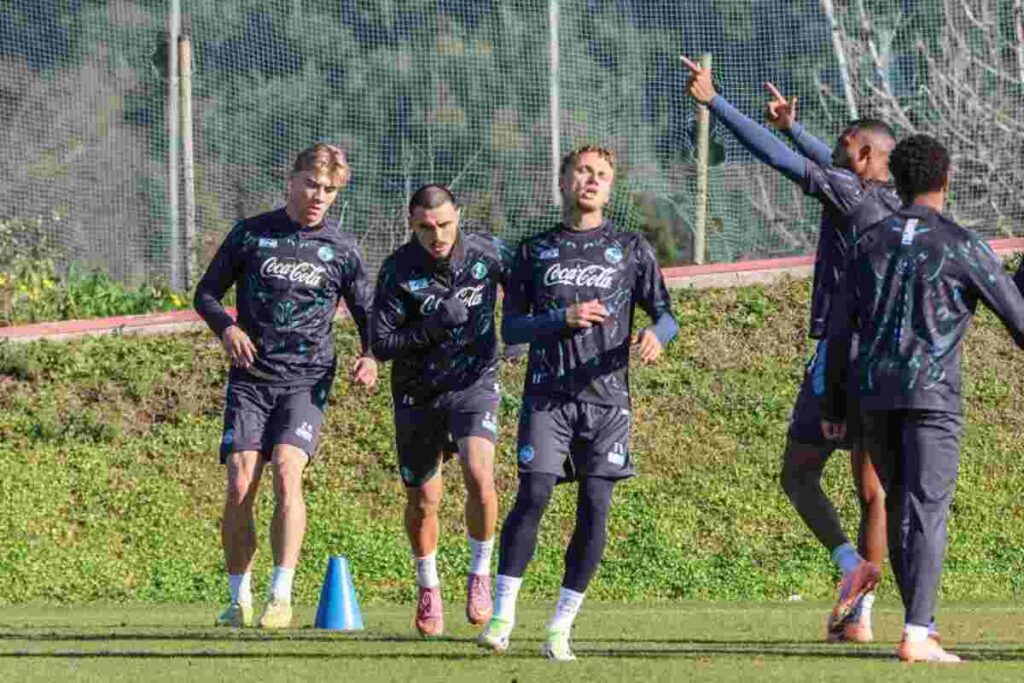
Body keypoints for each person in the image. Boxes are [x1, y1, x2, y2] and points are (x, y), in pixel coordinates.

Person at [681, 56, 900, 641]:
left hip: (840, 353)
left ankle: (851, 567)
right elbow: (814, 157)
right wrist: (793, 128)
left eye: (843, 142)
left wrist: (714, 103)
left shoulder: (850, 193)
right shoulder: (894, 205)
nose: (832, 147)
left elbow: (780, 162)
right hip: (885, 359)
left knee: (798, 475)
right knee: (872, 488)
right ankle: (860, 618)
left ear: (862, 155)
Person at [822, 134, 1024, 663]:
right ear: (946, 179)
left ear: (899, 181)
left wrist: (835, 406)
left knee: (903, 511)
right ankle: (916, 632)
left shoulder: (867, 241)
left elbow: (839, 332)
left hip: (874, 397)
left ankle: (922, 628)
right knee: (925, 511)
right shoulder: (959, 243)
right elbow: (1018, 320)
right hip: (932, 396)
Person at [478, 145, 678, 661]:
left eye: (603, 175)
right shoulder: (533, 251)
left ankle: (560, 627)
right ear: (565, 180)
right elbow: (511, 328)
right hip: (548, 396)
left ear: (610, 189)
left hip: (608, 402)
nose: (592, 180)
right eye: (584, 171)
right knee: (535, 494)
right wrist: (560, 319)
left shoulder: (631, 247)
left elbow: (666, 314)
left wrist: (657, 335)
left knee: (595, 507)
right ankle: (502, 615)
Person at [194, 143, 377, 629]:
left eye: (330, 190)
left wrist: (371, 355)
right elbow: (206, 294)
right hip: (252, 378)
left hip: (307, 378)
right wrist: (227, 329)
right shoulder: (252, 234)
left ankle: (281, 594)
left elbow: (368, 314)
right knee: (239, 481)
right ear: (292, 180)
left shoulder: (341, 248)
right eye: (313, 185)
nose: (320, 196)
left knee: (287, 472)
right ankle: (239, 598)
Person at [370, 184, 511, 638]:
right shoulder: (397, 270)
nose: (437, 235)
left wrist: (529, 329)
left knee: (478, 473)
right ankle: (428, 587)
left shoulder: (487, 254)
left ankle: (480, 573)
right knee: (424, 499)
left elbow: (528, 286)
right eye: (426, 228)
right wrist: (430, 326)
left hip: (474, 382)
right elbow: (382, 343)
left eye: (445, 224)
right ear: (412, 225)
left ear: (458, 217)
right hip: (417, 394)